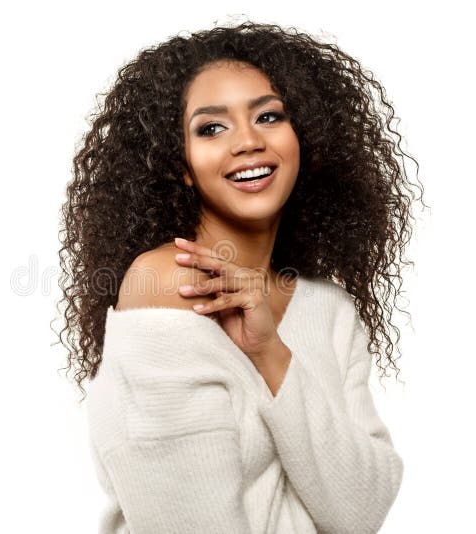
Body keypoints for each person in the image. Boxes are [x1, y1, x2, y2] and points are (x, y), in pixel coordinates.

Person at [55, 20, 425, 533]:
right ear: (180, 163)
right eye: (211, 128)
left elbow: (360, 512)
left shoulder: (330, 310)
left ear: (305, 137)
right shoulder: (169, 282)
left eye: (269, 116)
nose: (248, 142)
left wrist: (269, 351)